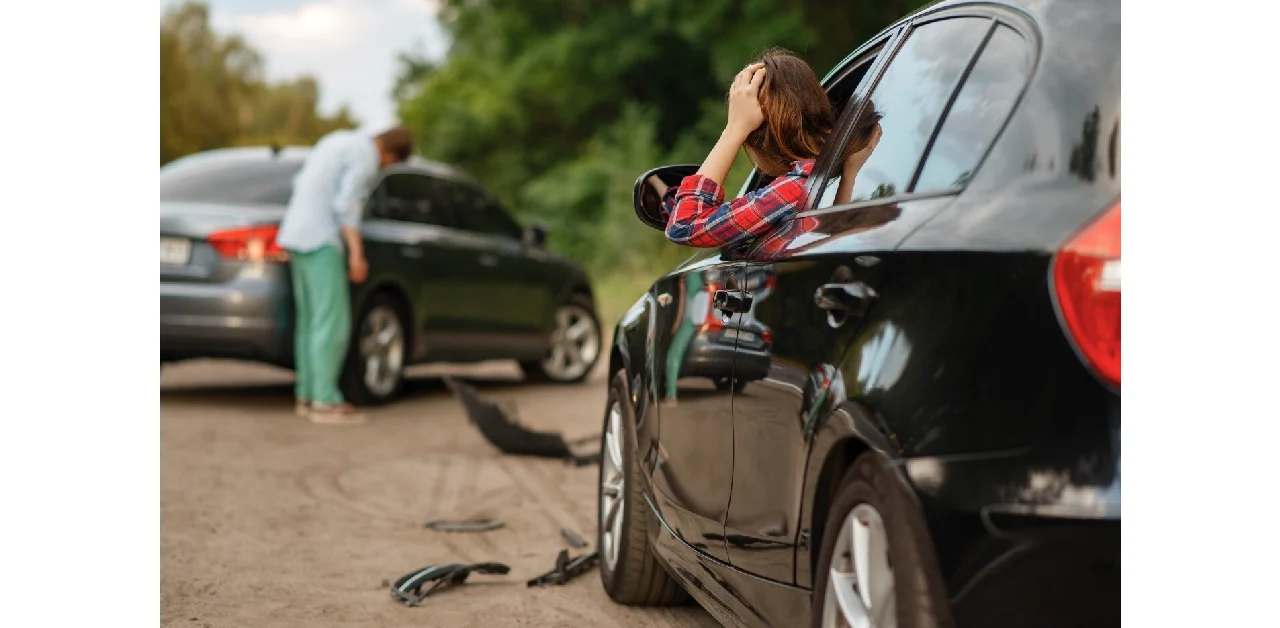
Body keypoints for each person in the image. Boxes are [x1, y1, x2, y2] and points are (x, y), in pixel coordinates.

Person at [663, 49, 882, 253]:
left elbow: (685, 225)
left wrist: (734, 130)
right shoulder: (830, 176)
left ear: (754, 139)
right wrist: (850, 176)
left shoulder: (793, 189)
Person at [276, 126, 415, 424]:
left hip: (294, 234)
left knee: (311, 322)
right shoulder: (365, 157)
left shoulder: (336, 140)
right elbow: (347, 205)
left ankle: (307, 395)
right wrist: (356, 253)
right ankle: (325, 401)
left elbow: (300, 181)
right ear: (390, 155)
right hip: (321, 239)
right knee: (332, 323)